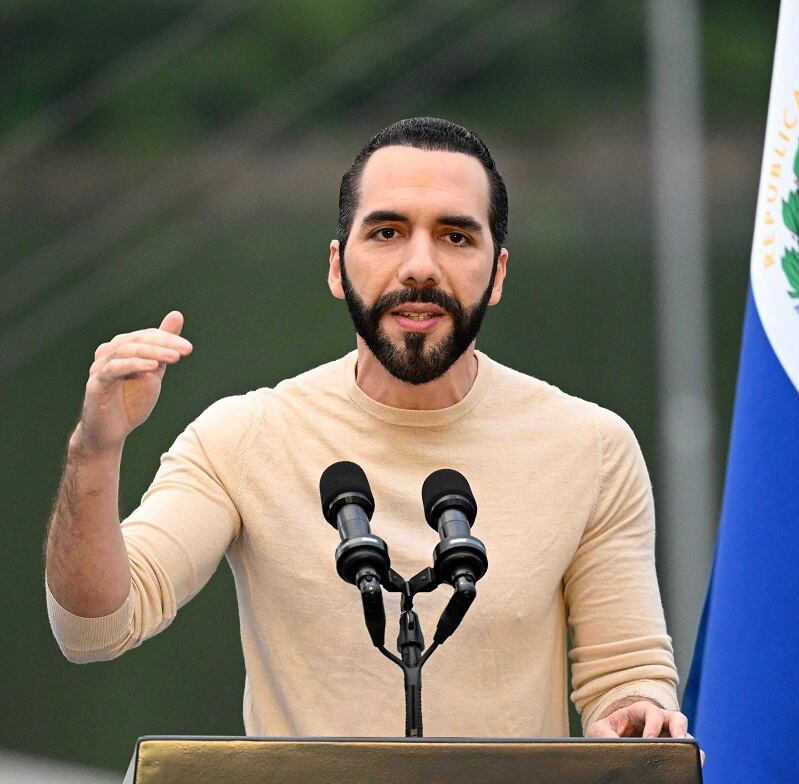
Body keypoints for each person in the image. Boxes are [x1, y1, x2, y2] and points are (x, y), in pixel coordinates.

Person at [44, 117, 687, 740]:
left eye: (456, 237)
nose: (419, 267)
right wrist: (94, 450)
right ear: (335, 266)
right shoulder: (243, 436)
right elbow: (94, 626)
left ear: (498, 276)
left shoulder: (592, 446)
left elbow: (626, 673)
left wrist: (636, 712)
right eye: (386, 232)